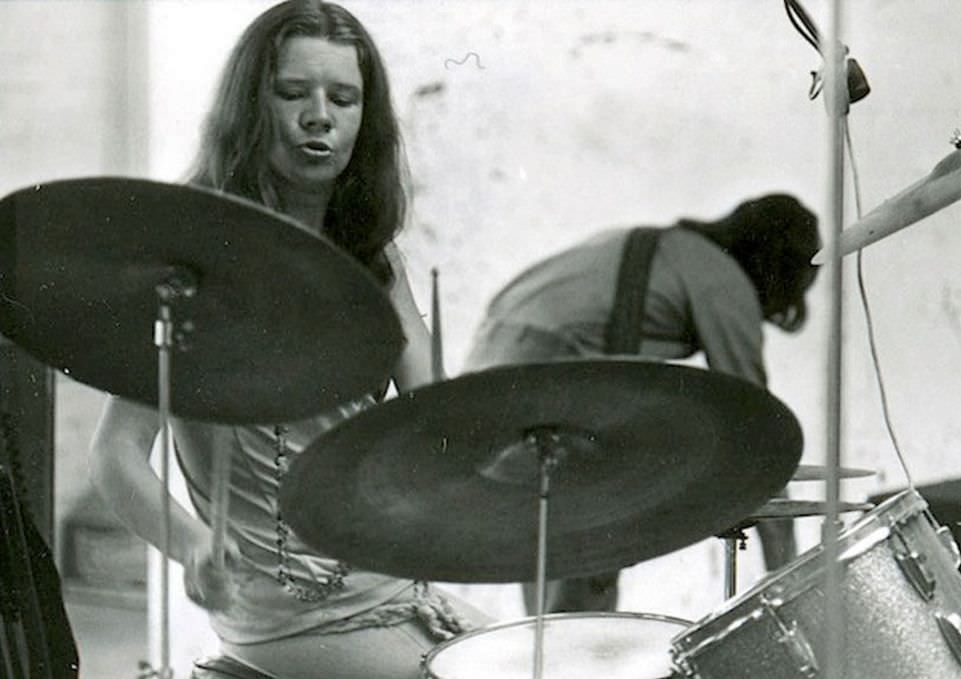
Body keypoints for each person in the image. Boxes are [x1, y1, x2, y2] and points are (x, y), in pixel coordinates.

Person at [88, 3, 487, 678]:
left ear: (367, 118)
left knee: (539, 654)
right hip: (281, 617)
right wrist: (188, 544)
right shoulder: (187, 260)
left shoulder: (373, 260)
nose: (320, 116)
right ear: (251, 106)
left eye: (344, 97)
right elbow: (115, 452)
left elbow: (438, 424)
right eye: (293, 92)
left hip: (394, 590)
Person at [464, 193, 821, 615]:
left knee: (555, 569)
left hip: (492, 361)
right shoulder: (722, 277)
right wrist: (791, 581)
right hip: (545, 361)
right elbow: (758, 433)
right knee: (592, 553)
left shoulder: (672, 249)